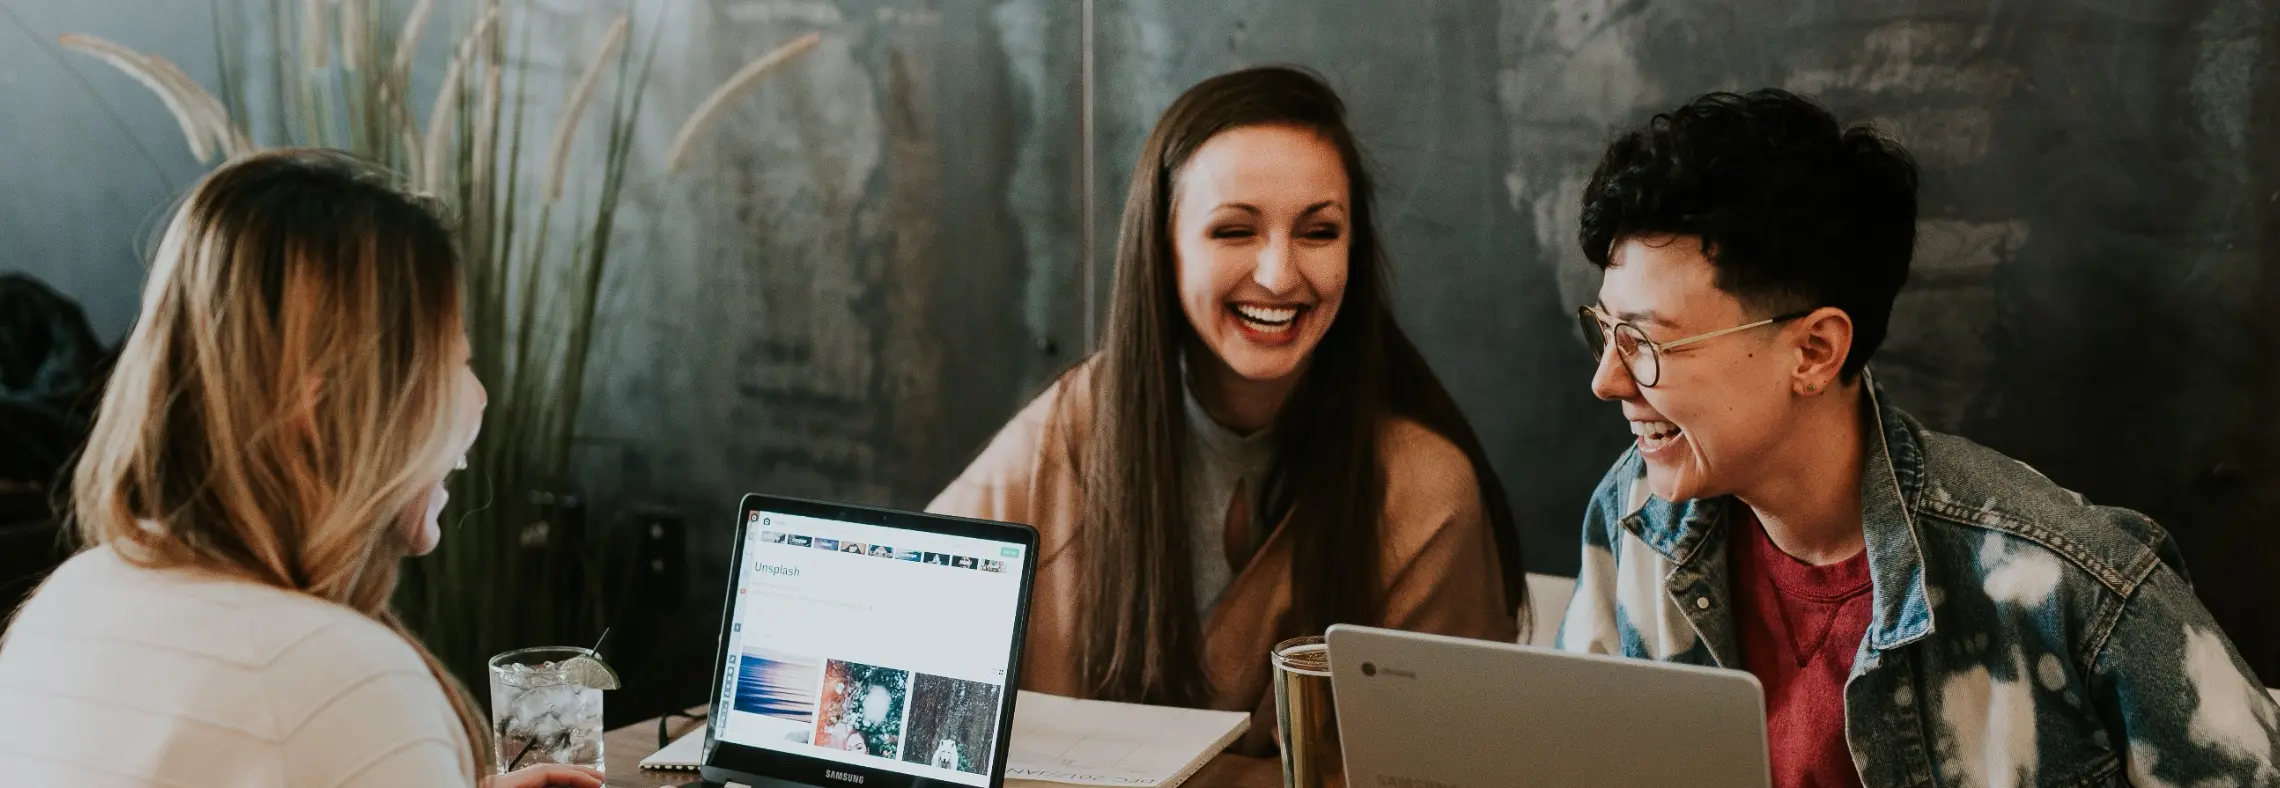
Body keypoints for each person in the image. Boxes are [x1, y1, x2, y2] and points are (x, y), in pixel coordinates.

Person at [1557, 89, 2280, 786]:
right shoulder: (1635, 517)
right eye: (1606, 331)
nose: (1609, 381)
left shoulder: (2072, 587)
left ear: (1812, 353)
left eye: (1647, 343)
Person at [930, 65, 1522, 753]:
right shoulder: (1075, 423)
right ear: (1164, 248)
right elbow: (908, 629)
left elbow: (1447, 759)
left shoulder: (1424, 490)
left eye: (1319, 232)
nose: (1279, 274)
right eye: (1235, 232)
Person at [0, 150, 602, 788]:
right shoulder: (341, 687)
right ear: (321, 408)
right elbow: (297, 729)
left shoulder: (67, 603)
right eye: (451, 364)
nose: (477, 396)